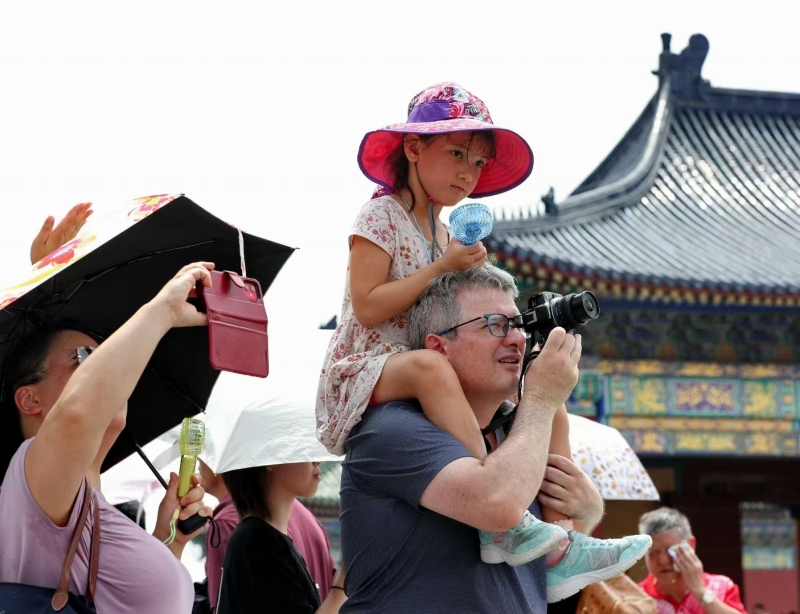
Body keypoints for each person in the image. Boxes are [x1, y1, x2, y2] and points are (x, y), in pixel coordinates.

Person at [317, 81, 650, 576]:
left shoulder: (446, 232)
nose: (468, 173)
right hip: (364, 368)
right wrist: (440, 268)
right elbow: (366, 308)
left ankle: (562, 541)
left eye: (477, 162)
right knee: (430, 366)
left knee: (546, 409)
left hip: (424, 362)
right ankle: (499, 518)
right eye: (456, 153)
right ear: (413, 148)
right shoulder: (380, 214)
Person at [338, 265, 651, 611]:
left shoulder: (517, 432)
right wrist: (542, 398)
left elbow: (554, 573)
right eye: (495, 325)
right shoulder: (393, 428)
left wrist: (587, 513)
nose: (517, 338)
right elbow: (497, 503)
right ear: (438, 347)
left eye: (517, 325)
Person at [0, 262, 216, 613]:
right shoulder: (30, 477)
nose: (106, 367)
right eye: (86, 358)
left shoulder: (85, 498)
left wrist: (168, 538)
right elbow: (76, 415)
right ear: (29, 399)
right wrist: (163, 309)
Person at [198, 458, 338, 611]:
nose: (317, 461)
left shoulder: (251, 534)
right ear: (270, 459)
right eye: (302, 449)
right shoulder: (256, 539)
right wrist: (345, 582)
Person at [638, 507, 747, 614]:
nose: (663, 560)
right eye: (653, 552)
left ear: (691, 545)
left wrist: (700, 592)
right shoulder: (636, 597)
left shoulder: (721, 587)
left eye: (670, 550)